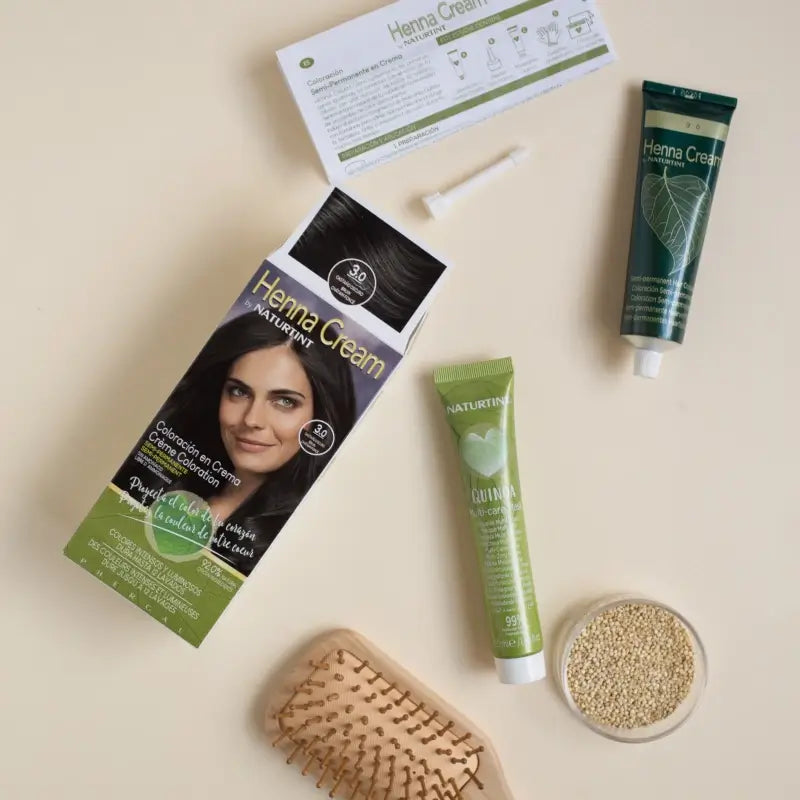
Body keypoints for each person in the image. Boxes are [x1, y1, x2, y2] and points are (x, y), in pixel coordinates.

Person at [114, 311, 356, 575]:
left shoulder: (301, 542)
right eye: (239, 392)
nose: (252, 419)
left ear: (320, 418)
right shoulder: (153, 475)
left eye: (285, 401)